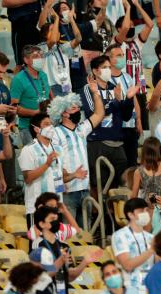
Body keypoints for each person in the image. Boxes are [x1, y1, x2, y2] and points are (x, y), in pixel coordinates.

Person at [47, 80, 105, 228]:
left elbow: (99, 113)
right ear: (63, 113)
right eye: (73, 109)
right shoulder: (56, 133)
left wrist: (95, 93)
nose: (77, 111)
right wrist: (67, 178)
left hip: (84, 189)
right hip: (68, 191)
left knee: (85, 234)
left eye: (77, 107)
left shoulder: (81, 129)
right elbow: (55, 162)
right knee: (70, 235)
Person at [29, 205, 102, 294]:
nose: (57, 222)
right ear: (42, 224)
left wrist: (84, 262)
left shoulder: (64, 246)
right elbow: (39, 277)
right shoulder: (37, 245)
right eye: (52, 219)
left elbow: (69, 276)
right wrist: (60, 262)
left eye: (57, 219)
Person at [81, 55, 134, 189]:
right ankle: (100, 210)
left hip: (118, 143)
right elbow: (94, 114)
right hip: (98, 143)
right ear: (95, 71)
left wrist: (128, 99)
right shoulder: (88, 89)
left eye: (109, 67)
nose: (108, 70)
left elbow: (126, 116)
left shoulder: (114, 87)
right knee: (101, 187)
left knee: (122, 185)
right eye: (104, 67)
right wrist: (115, 102)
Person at [18, 113, 65, 226]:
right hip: (37, 208)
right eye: (46, 124)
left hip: (56, 206)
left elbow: (61, 175)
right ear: (36, 129)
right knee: (38, 243)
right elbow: (28, 178)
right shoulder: (28, 149)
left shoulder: (58, 149)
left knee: (56, 242)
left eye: (51, 124)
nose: (51, 127)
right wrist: (47, 164)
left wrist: (74, 175)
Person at [113, 0, 153, 130]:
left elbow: (150, 24)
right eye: (128, 25)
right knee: (130, 127)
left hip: (140, 91)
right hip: (127, 92)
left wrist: (137, 5)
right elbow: (125, 28)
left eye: (132, 25)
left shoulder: (137, 43)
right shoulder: (117, 44)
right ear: (119, 29)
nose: (131, 27)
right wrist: (128, 8)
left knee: (144, 128)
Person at [105, 43, 142, 167]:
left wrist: (139, 120)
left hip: (131, 126)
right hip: (116, 127)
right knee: (120, 163)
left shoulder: (127, 77)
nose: (122, 58)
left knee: (132, 162)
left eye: (122, 55)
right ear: (109, 60)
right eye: (118, 55)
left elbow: (135, 100)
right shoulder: (105, 80)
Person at [112, 198, 155, 294]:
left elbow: (157, 264)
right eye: (141, 211)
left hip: (151, 290)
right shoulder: (120, 235)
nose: (145, 213)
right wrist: (151, 250)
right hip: (131, 290)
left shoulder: (151, 237)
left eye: (146, 210)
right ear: (130, 214)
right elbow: (127, 265)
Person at [10, 45, 51, 146]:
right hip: (28, 127)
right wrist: (35, 113)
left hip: (46, 125)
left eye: (41, 55)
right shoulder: (18, 79)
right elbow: (14, 107)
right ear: (26, 60)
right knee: (35, 157)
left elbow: (48, 95)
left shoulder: (43, 75)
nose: (40, 59)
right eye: (35, 56)